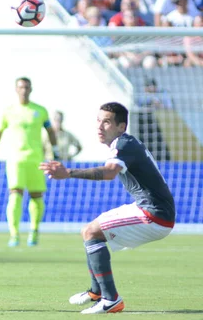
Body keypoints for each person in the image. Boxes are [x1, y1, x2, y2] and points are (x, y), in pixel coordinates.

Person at [39, 102, 175, 314]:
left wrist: (69, 173)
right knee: (90, 231)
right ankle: (96, 292)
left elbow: (110, 173)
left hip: (155, 215)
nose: (100, 127)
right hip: (148, 208)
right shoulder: (123, 143)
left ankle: (111, 300)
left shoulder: (123, 145)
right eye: (98, 121)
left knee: (92, 232)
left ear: (121, 126)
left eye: (107, 122)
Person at [0, 77, 58, 247]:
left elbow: (50, 130)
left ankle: (34, 230)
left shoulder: (40, 110)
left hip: (36, 159)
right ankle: (14, 234)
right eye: (21, 87)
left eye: (26, 87)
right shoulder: (8, 111)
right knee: (15, 195)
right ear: (16, 90)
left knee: (37, 196)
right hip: (15, 159)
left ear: (31, 89)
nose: (24, 90)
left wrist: (56, 151)